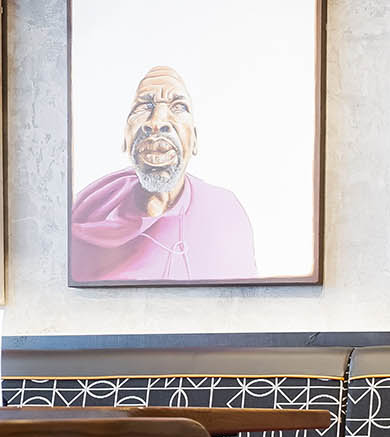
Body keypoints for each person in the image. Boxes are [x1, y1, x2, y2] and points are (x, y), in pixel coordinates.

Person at [70, 65, 259, 282]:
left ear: (194, 141)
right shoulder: (84, 216)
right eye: (144, 106)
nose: (157, 122)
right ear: (125, 138)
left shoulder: (227, 213)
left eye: (178, 106)